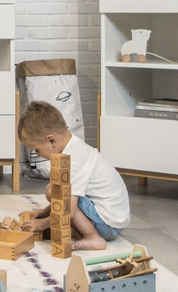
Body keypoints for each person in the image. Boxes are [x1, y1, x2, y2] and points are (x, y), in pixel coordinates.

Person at [17, 101, 130, 250]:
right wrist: (44, 212)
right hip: (109, 217)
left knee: (55, 191)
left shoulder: (74, 160)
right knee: (60, 193)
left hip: (108, 223)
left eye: (37, 150)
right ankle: (80, 230)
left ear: (52, 141)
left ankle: (93, 236)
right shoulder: (72, 148)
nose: (38, 154)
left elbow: (68, 209)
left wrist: (42, 223)